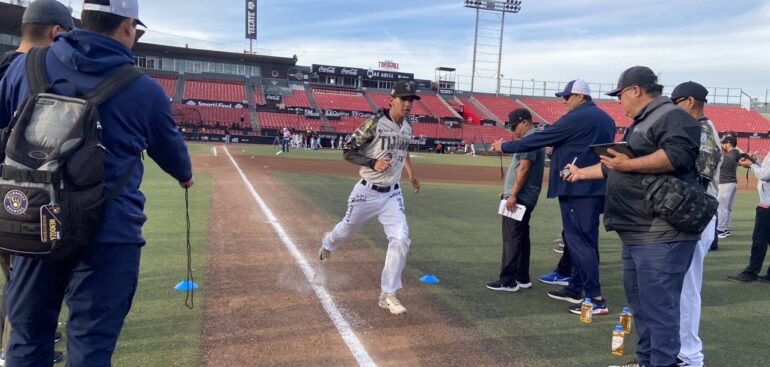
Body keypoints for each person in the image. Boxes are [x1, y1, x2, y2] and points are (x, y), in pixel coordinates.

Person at [0, 1, 194, 366]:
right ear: (126, 27)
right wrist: (185, 175)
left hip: (32, 223)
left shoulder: (24, 67)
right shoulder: (144, 89)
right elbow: (174, 156)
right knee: (91, 346)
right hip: (108, 232)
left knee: (26, 339)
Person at [563, 66, 701, 367]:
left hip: (661, 231)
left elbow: (677, 156)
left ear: (636, 90)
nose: (619, 101)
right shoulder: (644, 121)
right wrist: (581, 173)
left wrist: (629, 164)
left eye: (621, 94)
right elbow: (618, 164)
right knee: (641, 307)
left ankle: (661, 363)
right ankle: (645, 361)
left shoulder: (672, 116)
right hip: (638, 230)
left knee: (659, 309)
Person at [491, 79, 615, 316]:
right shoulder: (605, 118)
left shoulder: (578, 116)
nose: (564, 101)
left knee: (580, 241)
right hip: (594, 186)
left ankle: (595, 298)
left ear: (580, 97)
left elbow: (541, 137)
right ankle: (577, 288)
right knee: (584, 240)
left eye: (567, 97)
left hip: (576, 188)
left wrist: (506, 146)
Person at [0, 0, 74, 364]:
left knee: (17, 277)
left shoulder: (5, 67)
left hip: (8, 191)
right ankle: (11, 351)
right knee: (21, 281)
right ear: (55, 32)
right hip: (17, 196)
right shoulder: (27, 72)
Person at [319, 81, 421, 315]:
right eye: (403, 99)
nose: (408, 104)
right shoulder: (374, 123)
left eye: (411, 100)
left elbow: (402, 151)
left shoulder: (407, 127)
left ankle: (388, 294)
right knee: (346, 230)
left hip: (392, 193)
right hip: (366, 192)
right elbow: (348, 150)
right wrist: (372, 162)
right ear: (391, 100)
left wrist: (411, 173)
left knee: (401, 239)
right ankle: (327, 243)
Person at [670, 81, 721, 367]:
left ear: (689, 101)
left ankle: (689, 355)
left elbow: (698, 176)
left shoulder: (702, 130)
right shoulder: (699, 129)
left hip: (696, 214)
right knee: (680, 286)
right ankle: (678, 350)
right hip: (693, 214)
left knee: (688, 287)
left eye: (675, 102)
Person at [486, 109, 545, 292]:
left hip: (521, 197)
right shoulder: (532, 139)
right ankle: (522, 277)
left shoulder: (531, 140)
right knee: (520, 237)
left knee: (511, 237)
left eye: (514, 126)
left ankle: (508, 281)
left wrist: (512, 194)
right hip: (522, 196)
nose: (513, 131)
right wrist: (508, 192)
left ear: (525, 123)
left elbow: (525, 168)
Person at [726, 150, 770, 283]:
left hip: (767, 205)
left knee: (759, 240)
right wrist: (754, 163)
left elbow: (765, 175)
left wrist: (751, 164)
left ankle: (751, 273)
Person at [716, 135, 740, 239]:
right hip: (732, 183)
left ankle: (721, 230)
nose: (722, 145)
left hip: (725, 183)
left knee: (722, 208)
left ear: (729, 144)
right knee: (728, 208)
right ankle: (726, 228)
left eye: (724, 143)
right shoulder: (736, 154)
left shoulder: (727, 156)